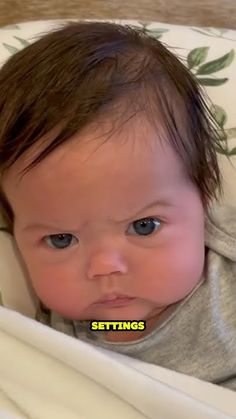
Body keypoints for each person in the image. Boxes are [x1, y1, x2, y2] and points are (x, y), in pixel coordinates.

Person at [0, 21, 235, 390]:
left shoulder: (228, 260)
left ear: (203, 191)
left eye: (144, 226)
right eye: (61, 239)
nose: (104, 267)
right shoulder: (66, 332)